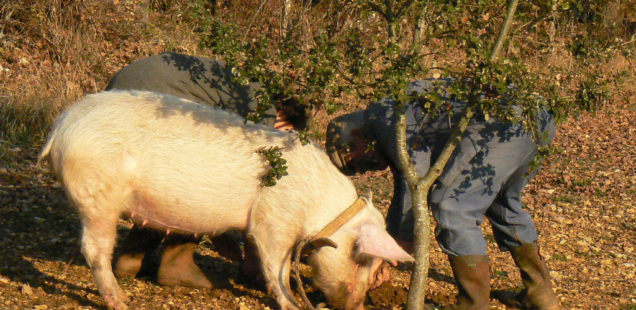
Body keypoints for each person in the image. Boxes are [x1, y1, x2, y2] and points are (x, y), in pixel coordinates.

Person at [325, 79, 560, 309]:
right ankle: (541, 297)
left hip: (503, 124)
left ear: (354, 136)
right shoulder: (387, 114)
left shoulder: (384, 121)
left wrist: (397, 246)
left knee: (452, 206)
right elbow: (404, 190)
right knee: (502, 205)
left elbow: (414, 180)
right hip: (535, 118)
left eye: (352, 163)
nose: (362, 171)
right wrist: (389, 245)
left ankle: (473, 305)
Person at [106, 52, 308, 288]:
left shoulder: (250, 89)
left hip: (123, 92)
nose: (281, 142)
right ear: (286, 117)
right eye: (286, 133)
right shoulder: (263, 112)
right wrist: (220, 234)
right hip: (147, 99)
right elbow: (226, 180)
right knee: (196, 178)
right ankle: (176, 264)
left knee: (165, 180)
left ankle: (132, 257)